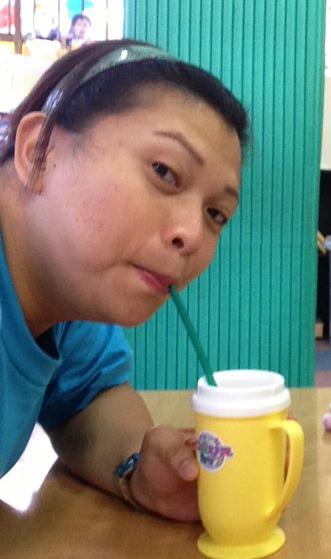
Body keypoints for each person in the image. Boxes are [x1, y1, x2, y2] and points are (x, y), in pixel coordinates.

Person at [0, 39, 247, 522]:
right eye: (164, 172)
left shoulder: (66, 293)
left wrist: (137, 471)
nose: (192, 235)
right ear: (39, 150)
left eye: (216, 214)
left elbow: (88, 400)